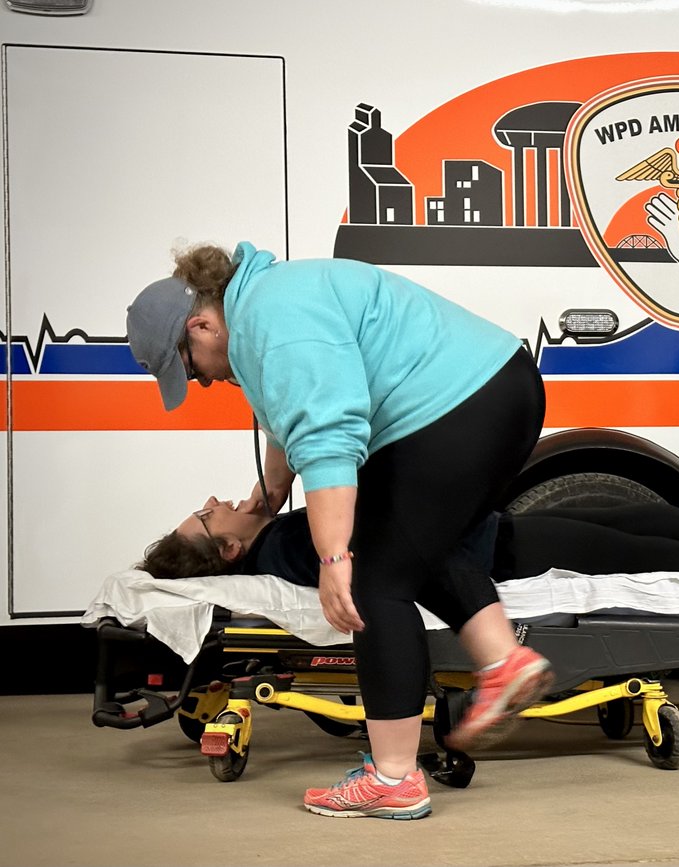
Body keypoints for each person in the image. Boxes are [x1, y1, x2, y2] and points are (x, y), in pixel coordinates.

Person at [126, 242, 561, 820]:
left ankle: (394, 779)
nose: (203, 381)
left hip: (457, 406)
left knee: (373, 579)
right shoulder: (263, 305)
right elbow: (286, 415)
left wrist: (333, 561)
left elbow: (327, 436)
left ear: (201, 325)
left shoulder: (269, 322)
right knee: (408, 547)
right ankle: (504, 661)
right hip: (490, 391)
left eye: (192, 368)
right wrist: (272, 492)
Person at [136, 475, 679, 594]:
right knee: (668, 557)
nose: (213, 499)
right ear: (227, 548)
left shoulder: (274, 538)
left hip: (499, 533)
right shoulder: (289, 549)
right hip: (503, 559)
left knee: (661, 521)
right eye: (206, 516)